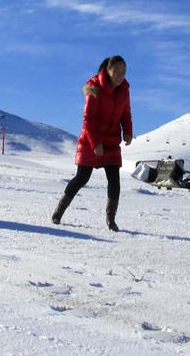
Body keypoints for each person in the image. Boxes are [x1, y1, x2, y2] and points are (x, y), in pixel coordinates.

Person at [52, 55, 133, 231]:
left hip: (111, 142)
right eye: (116, 71)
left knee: (114, 180)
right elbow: (88, 120)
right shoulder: (95, 88)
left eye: (123, 72)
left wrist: (127, 131)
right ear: (108, 70)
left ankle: (111, 221)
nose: (120, 75)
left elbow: (126, 114)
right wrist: (95, 143)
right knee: (82, 178)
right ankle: (58, 212)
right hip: (91, 140)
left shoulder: (124, 90)